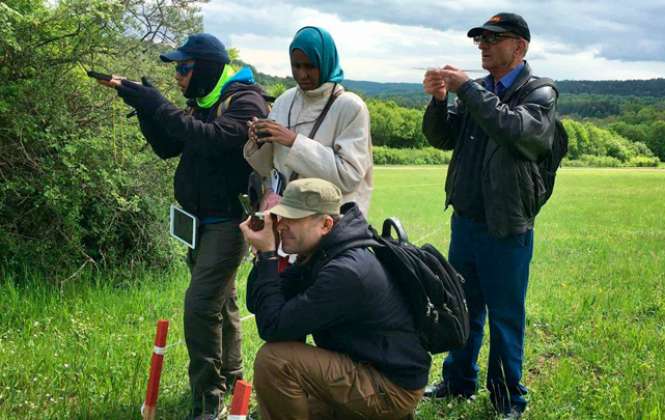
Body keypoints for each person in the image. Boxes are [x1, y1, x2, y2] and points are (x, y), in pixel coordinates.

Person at [97, 33, 268, 419]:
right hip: (199, 221)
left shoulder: (244, 100)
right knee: (221, 305)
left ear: (205, 67)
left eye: (184, 67)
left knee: (199, 305)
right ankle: (232, 380)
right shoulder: (202, 102)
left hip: (228, 221)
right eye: (176, 68)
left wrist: (156, 103)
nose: (178, 75)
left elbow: (212, 140)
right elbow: (168, 146)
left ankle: (207, 401)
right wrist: (143, 107)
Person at [421, 12, 557, 418]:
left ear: (519, 47)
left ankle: (507, 397)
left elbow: (517, 132)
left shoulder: (541, 93)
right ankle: (458, 380)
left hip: (507, 224)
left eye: (493, 39)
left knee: (504, 315)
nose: (483, 45)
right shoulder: (476, 91)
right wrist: (440, 100)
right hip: (465, 220)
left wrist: (466, 91)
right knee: (461, 305)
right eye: (480, 39)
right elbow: (441, 138)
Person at [240, 178, 430, 420]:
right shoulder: (323, 251)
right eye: (280, 217)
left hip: (390, 388)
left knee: (275, 361)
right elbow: (257, 303)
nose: (281, 226)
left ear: (326, 224)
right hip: (364, 367)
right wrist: (263, 256)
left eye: (293, 219)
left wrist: (268, 256)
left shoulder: (344, 272)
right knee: (278, 397)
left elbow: (273, 326)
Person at [244, 26, 373, 214]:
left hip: (327, 224)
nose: (302, 74)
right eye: (296, 66)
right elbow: (269, 170)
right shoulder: (283, 101)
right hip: (283, 220)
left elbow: (349, 177)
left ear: (326, 62)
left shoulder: (350, 107)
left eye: (310, 66)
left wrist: (293, 141)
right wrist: (259, 141)